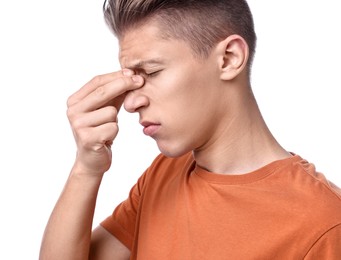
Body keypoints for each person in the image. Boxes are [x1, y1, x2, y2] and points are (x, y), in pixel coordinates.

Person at [39, 0, 341, 259]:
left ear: (229, 58)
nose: (130, 102)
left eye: (152, 72)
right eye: (132, 78)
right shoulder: (162, 175)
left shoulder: (323, 223)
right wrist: (86, 168)